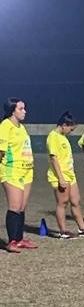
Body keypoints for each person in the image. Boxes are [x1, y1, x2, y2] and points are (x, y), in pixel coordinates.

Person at [47, 113, 84, 239]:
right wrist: (61, 179)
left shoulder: (63, 137)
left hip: (70, 175)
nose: (71, 132)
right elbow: (54, 159)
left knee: (76, 201)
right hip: (60, 176)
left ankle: (82, 228)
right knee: (62, 203)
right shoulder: (53, 137)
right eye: (71, 129)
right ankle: (63, 231)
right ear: (63, 125)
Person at [0, 97, 36, 253]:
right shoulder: (5, 126)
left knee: (21, 207)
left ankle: (20, 239)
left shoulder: (21, 127)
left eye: (24, 108)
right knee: (14, 207)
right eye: (21, 109)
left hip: (27, 170)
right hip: (11, 170)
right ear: (12, 110)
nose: (24, 111)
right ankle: (12, 241)